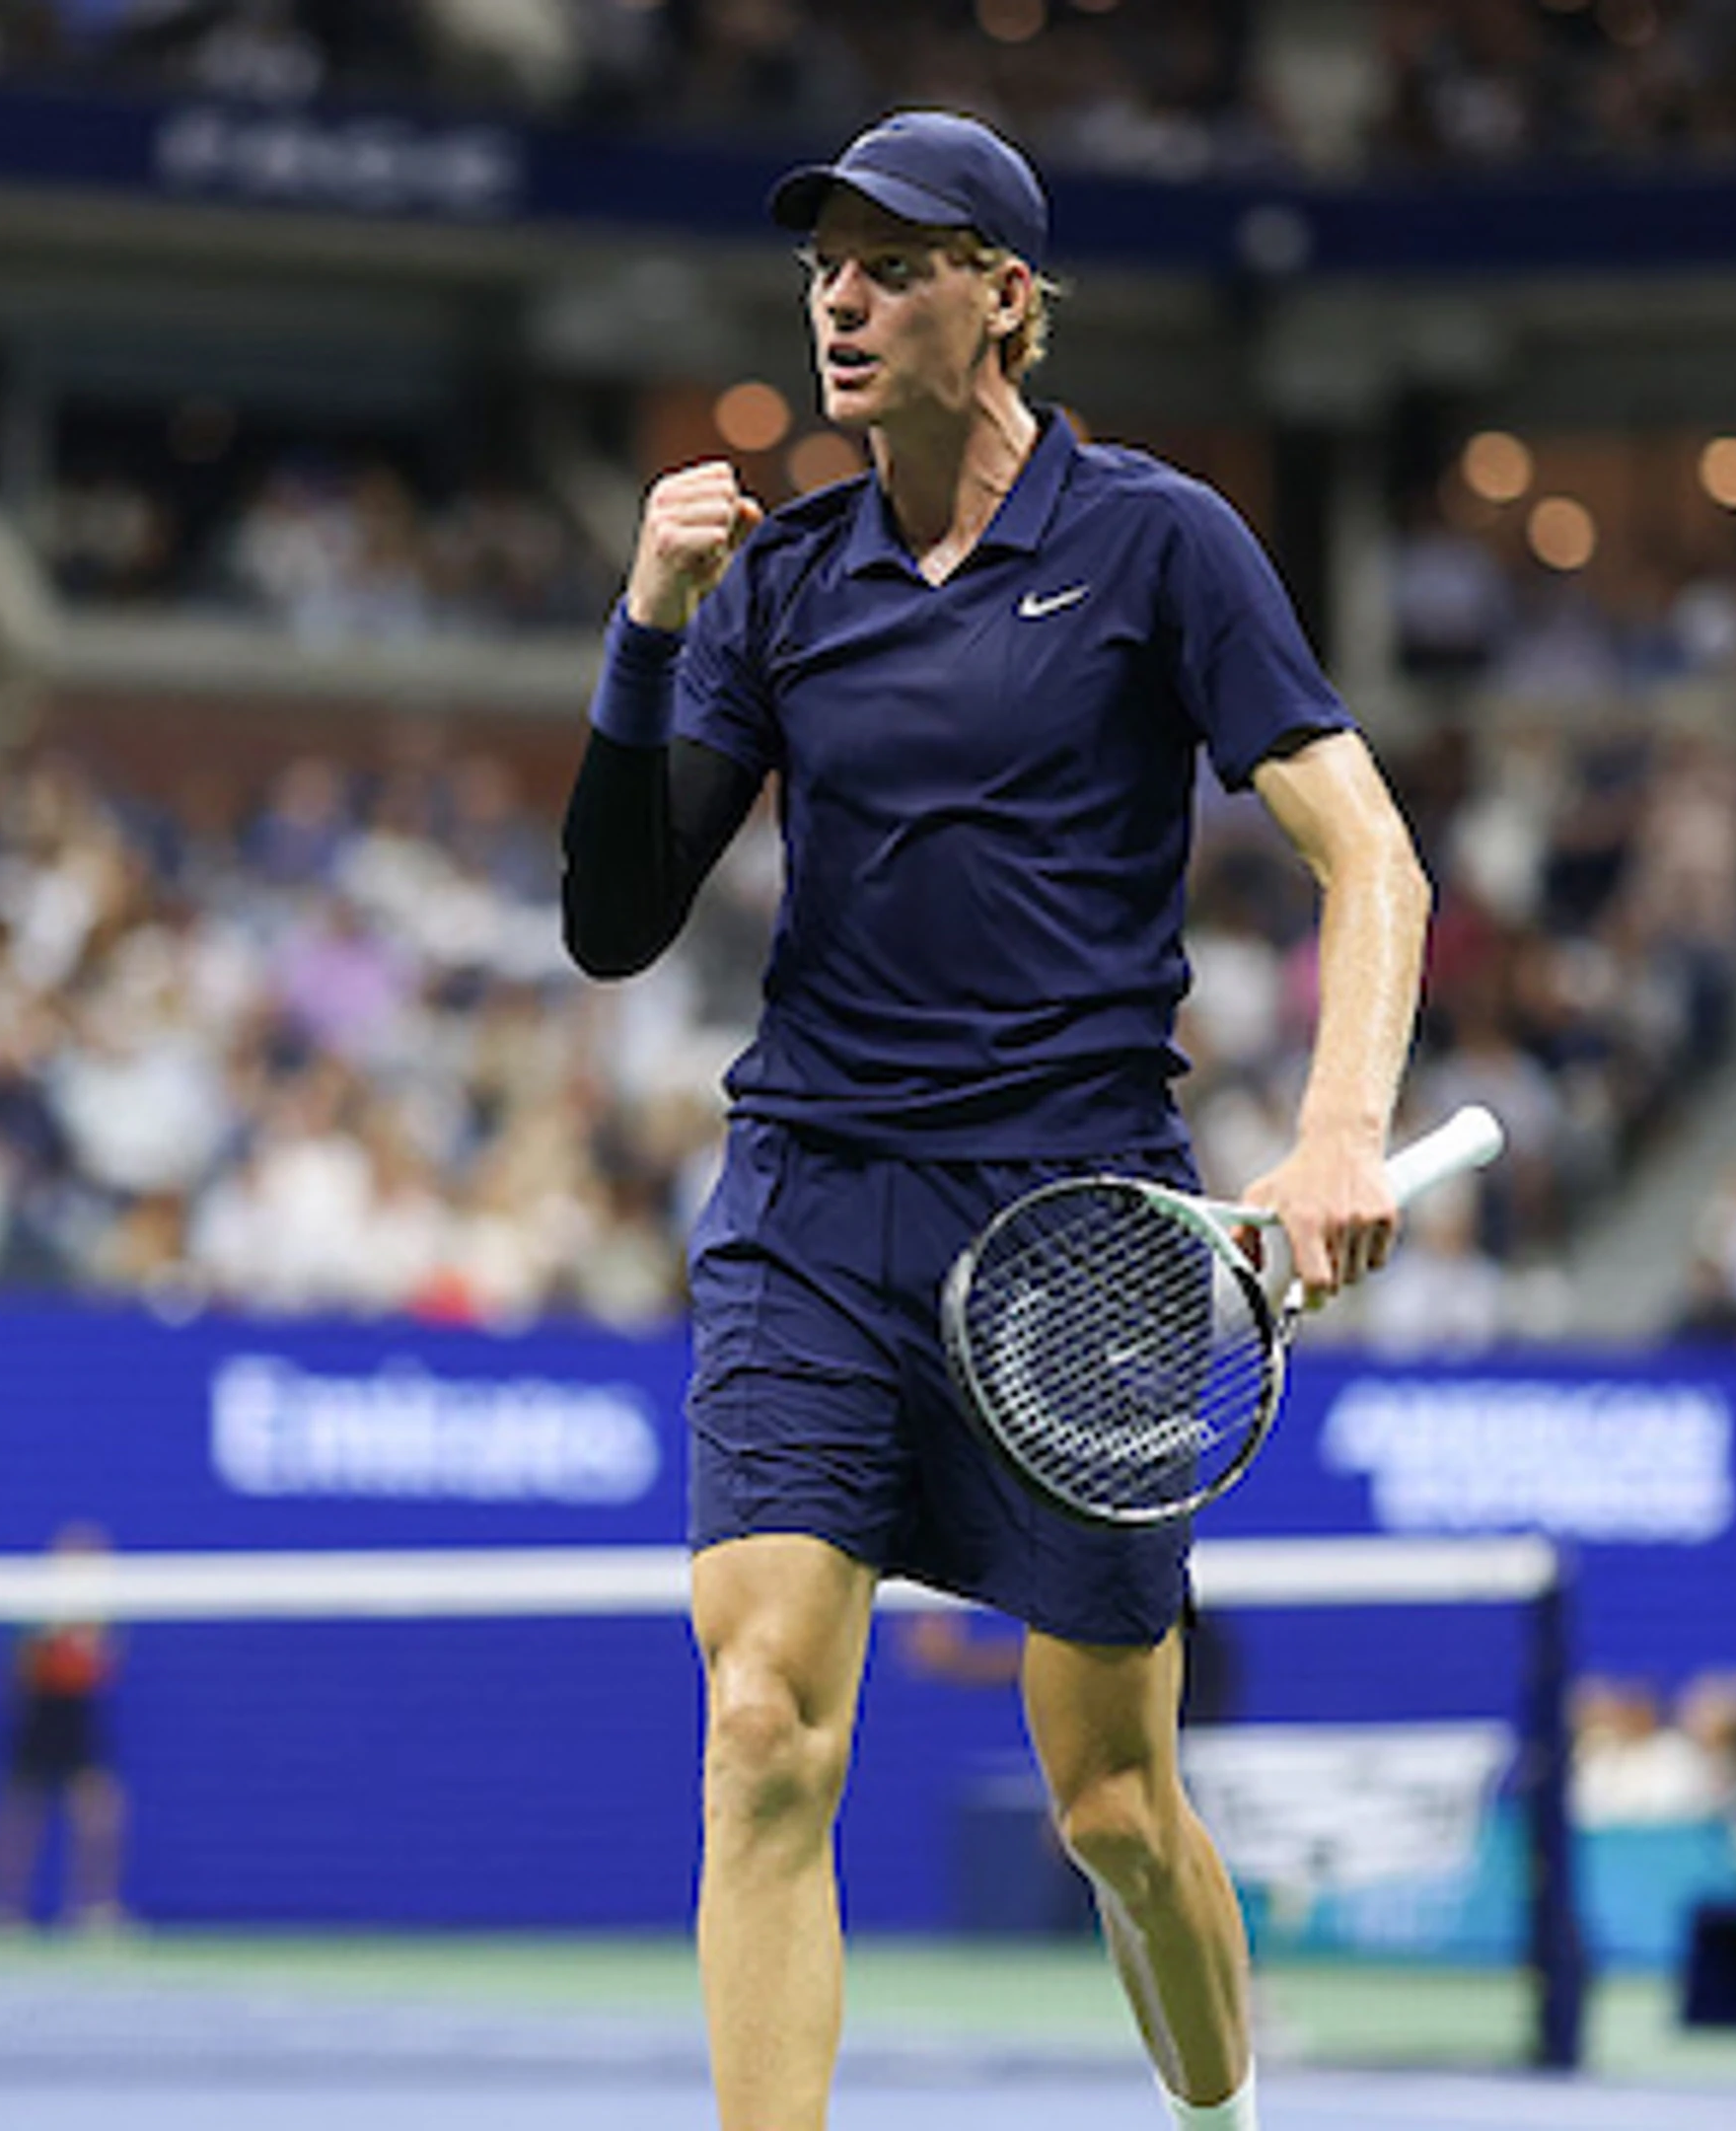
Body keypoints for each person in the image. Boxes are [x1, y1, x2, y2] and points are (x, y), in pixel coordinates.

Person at [558, 109, 1429, 2131]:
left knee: (1114, 1806)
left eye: (896, 262)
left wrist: (1338, 1131)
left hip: (1079, 1238)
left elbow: (1371, 864)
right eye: (824, 269)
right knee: (764, 1724)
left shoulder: (1162, 544)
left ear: (1007, 301)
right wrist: (644, 634)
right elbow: (614, 922)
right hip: (815, 1209)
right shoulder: (777, 585)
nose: (843, 300)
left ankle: (1217, 2101)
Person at [0, 1521, 128, 1935]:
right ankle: (4, 1910)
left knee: (99, 1811)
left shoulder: (103, 1610)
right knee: (20, 1810)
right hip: (38, 1713)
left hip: (78, 1715)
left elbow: (107, 1664)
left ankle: (96, 1907)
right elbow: (17, 1667)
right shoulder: (35, 1604)